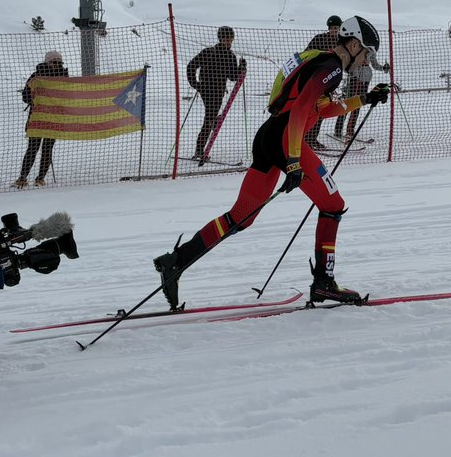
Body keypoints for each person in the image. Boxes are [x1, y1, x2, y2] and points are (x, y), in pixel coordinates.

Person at [153, 16, 390, 309]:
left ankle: (176, 261)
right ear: (353, 45)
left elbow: (321, 109)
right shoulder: (332, 70)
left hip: (269, 135)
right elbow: (302, 110)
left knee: (241, 216)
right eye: (367, 54)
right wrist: (292, 161)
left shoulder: (320, 61)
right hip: (286, 141)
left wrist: (365, 99)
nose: (366, 61)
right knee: (332, 206)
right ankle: (324, 284)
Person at [187, 26, 246, 162]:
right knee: (209, 117)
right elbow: (191, 66)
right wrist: (195, 84)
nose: (229, 42)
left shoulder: (230, 56)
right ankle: (200, 149)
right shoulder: (208, 52)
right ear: (220, 39)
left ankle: (213, 123)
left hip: (219, 92)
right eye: (226, 39)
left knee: (210, 115)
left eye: (230, 39)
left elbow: (232, 76)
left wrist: (241, 67)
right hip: (207, 90)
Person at [15, 51, 68, 188]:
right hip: (38, 117)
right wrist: (36, 101)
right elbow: (26, 96)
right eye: (54, 62)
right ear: (47, 62)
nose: (57, 65)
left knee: (47, 148)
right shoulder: (36, 76)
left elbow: (68, 95)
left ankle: (40, 178)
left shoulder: (64, 77)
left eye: (59, 62)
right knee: (33, 147)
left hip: (54, 118)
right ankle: (22, 177)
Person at [302, 15, 341, 149]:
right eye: (332, 28)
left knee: (321, 110)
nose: (334, 31)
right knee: (311, 109)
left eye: (337, 28)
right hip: (315, 79)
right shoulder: (319, 39)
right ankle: (305, 138)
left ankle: (312, 138)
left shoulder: (341, 43)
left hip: (330, 81)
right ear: (328, 28)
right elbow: (306, 53)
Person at [334, 48, 389, 142]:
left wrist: (384, 68)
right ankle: (338, 129)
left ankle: (350, 130)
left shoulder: (371, 51)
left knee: (359, 103)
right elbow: (347, 63)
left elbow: (375, 65)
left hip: (366, 77)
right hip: (355, 76)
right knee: (348, 102)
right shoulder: (356, 48)